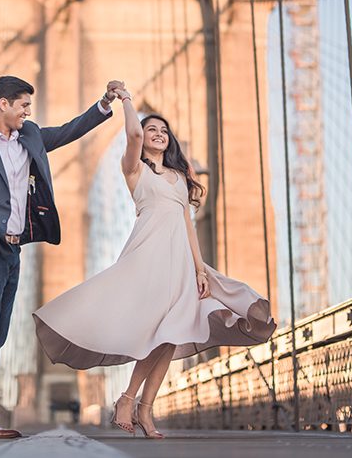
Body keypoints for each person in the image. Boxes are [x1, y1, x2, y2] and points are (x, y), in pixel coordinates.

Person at [33, 86, 276, 439]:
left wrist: (200, 269)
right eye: (152, 130)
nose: (159, 134)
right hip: (148, 257)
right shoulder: (133, 169)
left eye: (164, 130)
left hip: (179, 262)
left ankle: (140, 407)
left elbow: (188, 226)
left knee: (171, 335)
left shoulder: (179, 178)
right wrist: (126, 100)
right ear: (142, 139)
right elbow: (131, 132)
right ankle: (130, 401)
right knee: (159, 334)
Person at [0, 75, 124, 440]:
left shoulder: (30, 136)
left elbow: (69, 131)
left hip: (12, 252)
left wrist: (105, 104)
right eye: (23, 104)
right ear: (3, 104)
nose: (28, 111)